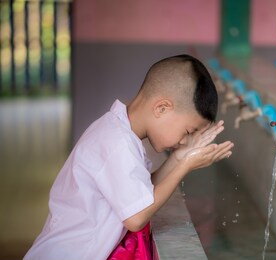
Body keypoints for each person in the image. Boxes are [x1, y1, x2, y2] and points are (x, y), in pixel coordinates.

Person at [24, 54, 234, 259]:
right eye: (188, 131)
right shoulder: (116, 143)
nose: (183, 140)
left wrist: (179, 158)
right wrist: (185, 165)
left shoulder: (120, 133)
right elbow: (136, 217)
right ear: (162, 108)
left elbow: (139, 195)